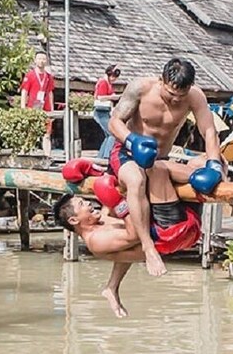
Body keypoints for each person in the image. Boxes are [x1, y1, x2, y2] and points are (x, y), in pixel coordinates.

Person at [108, 57, 224, 277]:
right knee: (136, 180)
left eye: (180, 96)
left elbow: (208, 131)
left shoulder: (195, 97)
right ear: (161, 81)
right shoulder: (140, 87)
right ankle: (148, 248)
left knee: (211, 168)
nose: (174, 100)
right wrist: (132, 140)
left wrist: (214, 164)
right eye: (171, 94)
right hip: (127, 153)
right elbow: (114, 122)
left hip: (160, 160)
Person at [55, 158, 201, 317]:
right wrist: (118, 202)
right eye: (82, 205)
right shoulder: (96, 241)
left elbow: (127, 252)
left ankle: (213, 167)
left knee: (197, 163)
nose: (89, 204)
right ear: (74, 220)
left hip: (175, 231)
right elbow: (134, 234)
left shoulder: (101, 223)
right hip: (168, 231)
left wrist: (113, 286)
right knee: (157, 168)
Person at [20, 51, 55, 156]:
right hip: (32, 107)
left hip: (46, 108)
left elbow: (50, 93)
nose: (41, 61)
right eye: (39, 58)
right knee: (31, 133)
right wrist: (23, 107)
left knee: (47, 134)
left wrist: (52, 109)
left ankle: (47, 155)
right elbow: (24, 91)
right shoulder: (30, 75)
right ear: (35, 60)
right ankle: (26, 154)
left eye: (44, 59)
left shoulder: (49, 77)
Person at [93, 65, 121, 159]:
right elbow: (100, 97)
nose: (114, 79)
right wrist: (113, 97)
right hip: (100, 111)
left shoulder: (108, 83)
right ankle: (106, 156)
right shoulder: (103, 82)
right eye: (113, 77)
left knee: (108, 135)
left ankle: (100, 157)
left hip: (105, 111)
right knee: (112, 133)